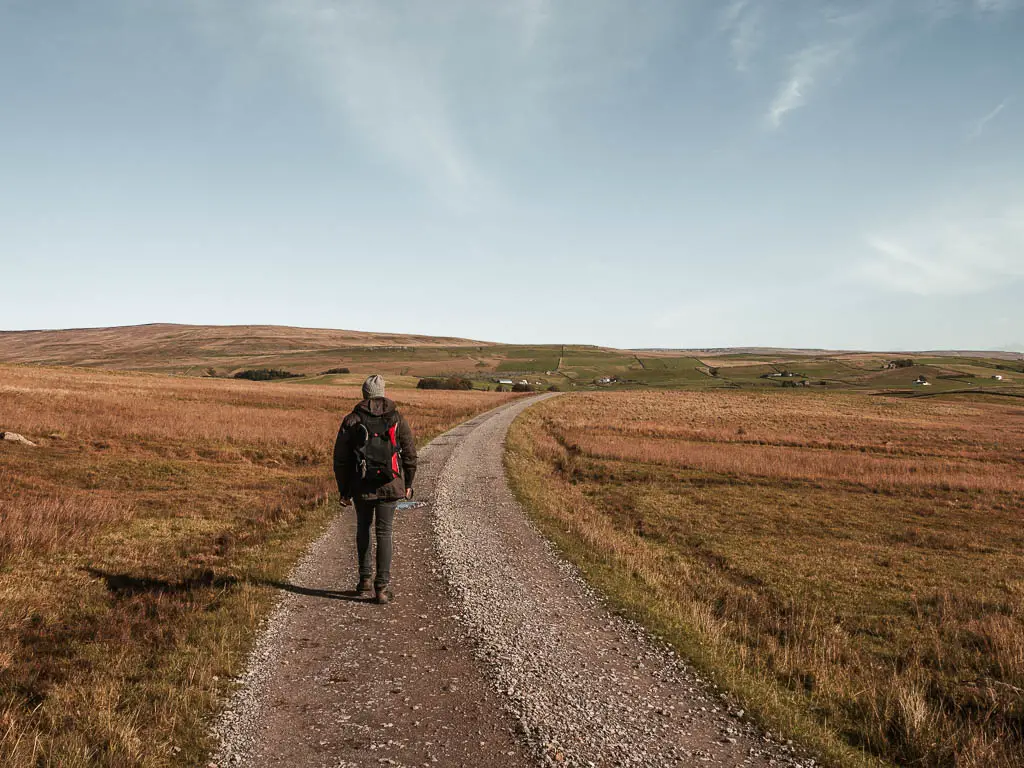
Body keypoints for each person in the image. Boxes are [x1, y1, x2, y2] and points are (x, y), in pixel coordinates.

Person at [333, 375, 417, 604]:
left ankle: (364, 582)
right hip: (390, 484)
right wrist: (408, 483)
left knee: (363, 528)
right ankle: (381, 588)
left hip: (361, 484)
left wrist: (345, 490)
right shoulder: (397, 418)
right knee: (384, 532)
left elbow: (340, 459)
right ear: (383, 392)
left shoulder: (351, 420)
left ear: (364, 394)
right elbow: (409, 454)